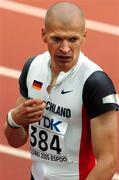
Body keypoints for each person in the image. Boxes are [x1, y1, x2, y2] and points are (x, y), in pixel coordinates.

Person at [4, 2, 119, 180]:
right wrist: (13, 120)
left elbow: (108, 162)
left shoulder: (96, 84)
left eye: (73, 39)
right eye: (57, 39)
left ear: (84, 37)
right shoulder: (33, 67)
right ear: (44, 35)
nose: (65, 48)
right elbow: (15, 140)